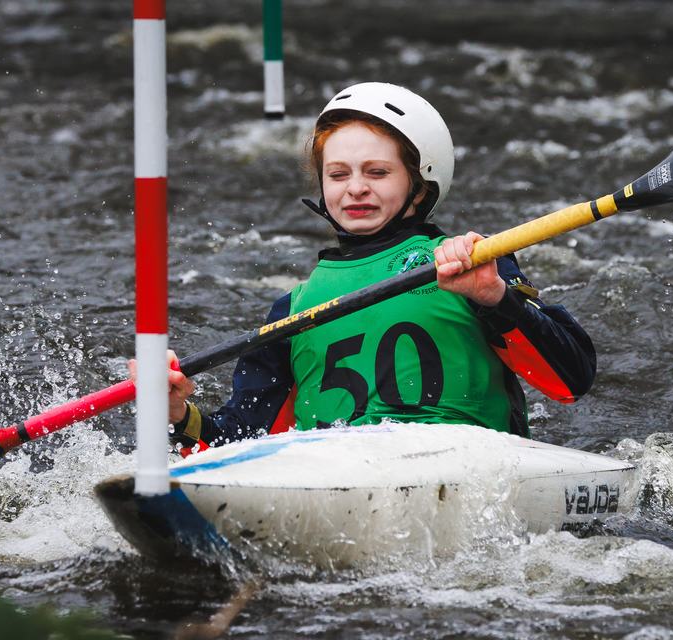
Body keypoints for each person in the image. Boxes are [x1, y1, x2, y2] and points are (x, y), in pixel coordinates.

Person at [131, 82, 596, 451]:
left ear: (419, 185)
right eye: (338, 175)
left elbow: (571, 380)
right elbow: (241, 443)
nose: (354, 188)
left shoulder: (474, 265)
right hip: (336, 474)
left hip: (464, 464)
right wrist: (175, 415)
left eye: (377, 172)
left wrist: (495, 298)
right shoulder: (290, 312)